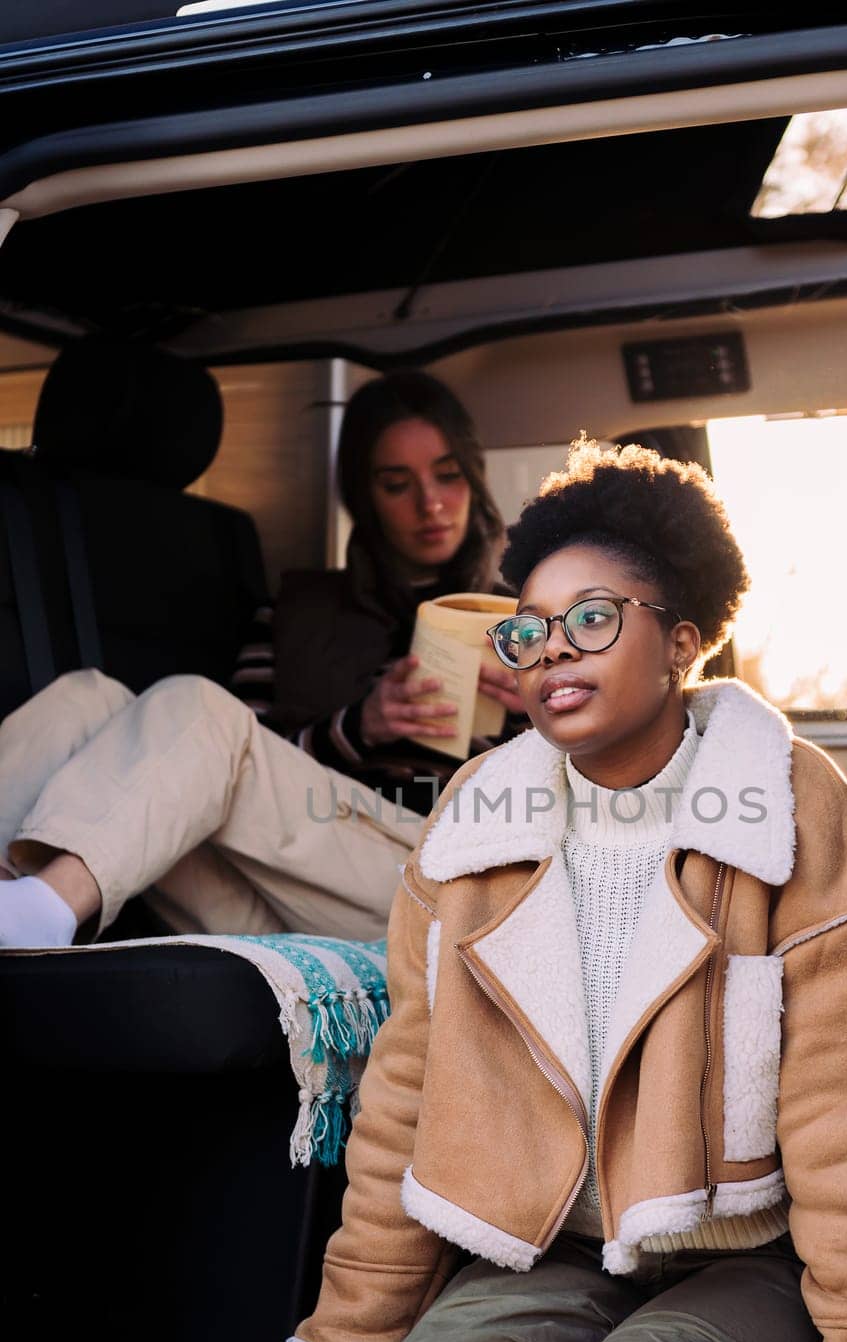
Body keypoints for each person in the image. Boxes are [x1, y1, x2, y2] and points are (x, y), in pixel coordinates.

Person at [190, 438, 847, 1342]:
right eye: (529, 625)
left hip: (753, 1268)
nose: (550, 646)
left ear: (685, 639)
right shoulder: (474, 824)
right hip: (546, 1248)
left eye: (593, 618)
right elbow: (403, 1104)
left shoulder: (792, 814)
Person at [0, 371, 524, 948]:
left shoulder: (532, 619)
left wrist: (541, 709)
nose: (431, 502)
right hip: (275, 884)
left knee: (199, 704)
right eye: (397, 484)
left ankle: (48, 906)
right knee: (85, 698)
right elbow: (232, 754)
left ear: (473, 478)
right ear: (365, 498)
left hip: (426, 877)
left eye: (448, 476)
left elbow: (583, 793)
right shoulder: (295, 612)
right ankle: (17, 901)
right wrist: (359, 727)